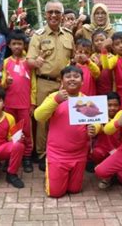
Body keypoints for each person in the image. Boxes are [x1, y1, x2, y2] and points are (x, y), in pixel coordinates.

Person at [34, 66, 100, 198]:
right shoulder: (54, 97)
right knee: (56, 193)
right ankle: (51, 173)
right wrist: (56, 101)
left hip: (79, 153)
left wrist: (94, 128)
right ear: (61, 81)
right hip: (57, 153)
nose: (72, 79)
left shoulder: (86, 100)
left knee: (75, 190)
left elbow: (96, 121)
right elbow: (38, 116)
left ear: (82, 81)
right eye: (68, 76)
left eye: (76, 77)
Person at [26, 0, 74, 171]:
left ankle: (62, 150)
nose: (54, 15)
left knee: (64, 118)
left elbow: (74, 59)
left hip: (64, 84)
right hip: (44, 82)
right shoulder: (38, 36)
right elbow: (29, 60)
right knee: (43, 119)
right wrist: (35, 61)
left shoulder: (69, 35)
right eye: (50, 12)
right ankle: (41, 154)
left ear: (62, 15)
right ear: (46, 14)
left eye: (57, 12)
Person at [2, 30, 36, 173]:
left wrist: (32, 103)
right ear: (9, 45)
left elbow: (33, 84)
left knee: (26, 131)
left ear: (24, 45)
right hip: (9, 104)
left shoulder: (28, 63)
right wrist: (5, 82)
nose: (17, 46)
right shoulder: (5, 63)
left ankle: (27, 156)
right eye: (14, 44)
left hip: (24, 104)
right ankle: (10, 156)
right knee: (10, 131)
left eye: (19, 44)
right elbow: (1, 83)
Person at [90, 92, 122, 189]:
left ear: (119, 105)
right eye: (109, 105)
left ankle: (120, 172)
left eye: (115, 105)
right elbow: (97, 125)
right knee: (96, 153)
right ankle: (106, 176)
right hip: (103, 151)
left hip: (120, 152)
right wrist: (93, 129)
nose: (112, 108)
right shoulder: (100, 117)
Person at [101, 32, 122, 108]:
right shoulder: (115, 59)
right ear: (113, 48)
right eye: (117, 44)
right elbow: (106, 66)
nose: (121, 46)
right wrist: (103, 49)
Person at [90, 29, 113, 96]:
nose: (99, 42)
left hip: (109, 89)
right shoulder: (92, 57)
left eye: (102, 40)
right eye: (96, 40)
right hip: (95, 91)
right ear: (93, 43)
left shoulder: (112, 57)